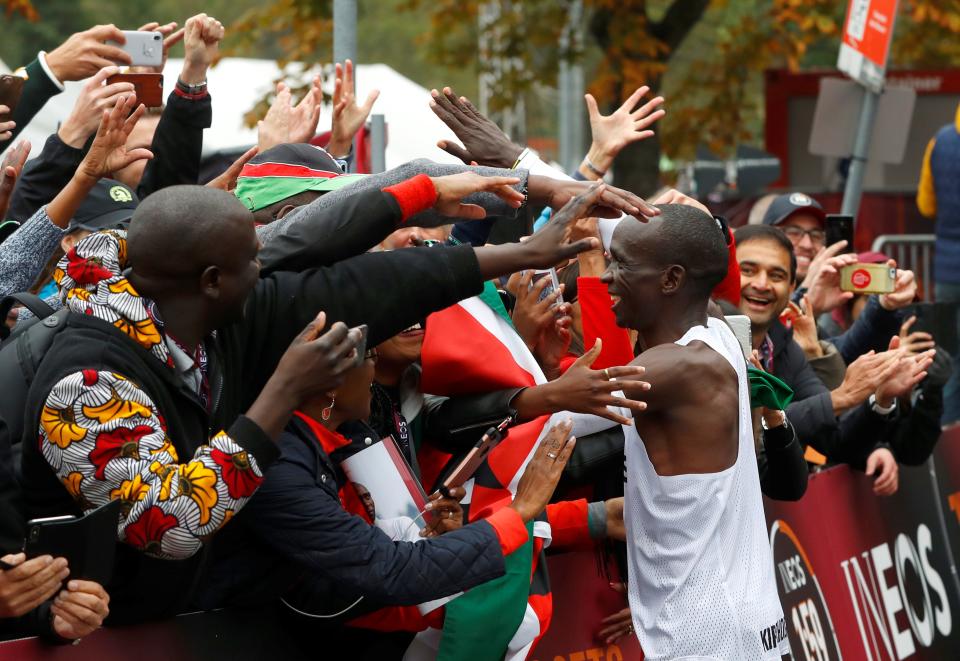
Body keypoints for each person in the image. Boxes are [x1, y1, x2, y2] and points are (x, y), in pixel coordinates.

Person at [600, 204, 789, 660]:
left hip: (710, 633)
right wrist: (520, 163)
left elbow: (548, 408)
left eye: (619, 265)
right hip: (743, 617)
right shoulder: (720, 333)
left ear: (670, 280)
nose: (607, 276)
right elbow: (656, 245)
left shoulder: (670, 368)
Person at [734, 224, 933, 489]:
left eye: (776, 275)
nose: (761, 284)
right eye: (748, 270)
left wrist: (881, 399)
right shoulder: (701, 335)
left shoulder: (785, 347)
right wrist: (839, 397)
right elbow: (738, 426)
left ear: (792, 285)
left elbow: (837, 441)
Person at [917, 100, 960, 426]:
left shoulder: (940, 141)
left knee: (950, 355)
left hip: (947, 269)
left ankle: (946, 435)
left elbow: (926, 204)